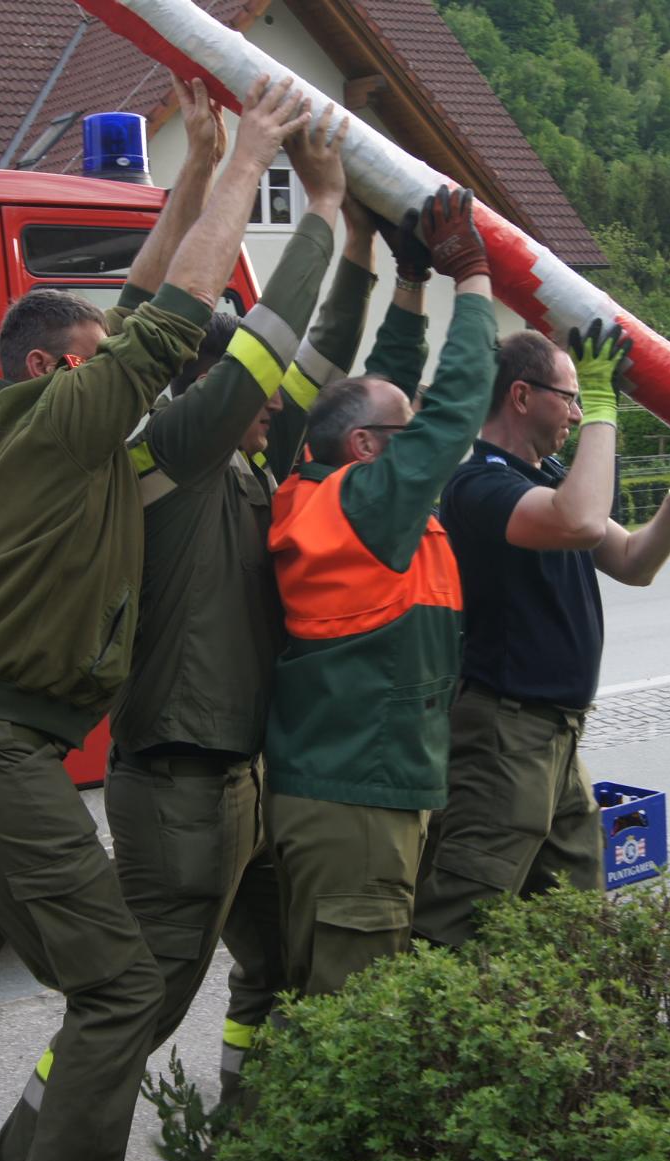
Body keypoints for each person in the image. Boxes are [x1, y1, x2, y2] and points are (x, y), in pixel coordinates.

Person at [0, 75, 313, 1161]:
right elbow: (172, 319)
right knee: (121, 991)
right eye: (99, 361)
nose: (121, 376)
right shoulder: (64, 422)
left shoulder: (17, 428)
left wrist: (194, 172)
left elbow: (136, 304)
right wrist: (252, 160)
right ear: (55, 370)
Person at [100, 101, 352, 1085]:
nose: (272, 402)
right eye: (252, 387)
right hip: (181, 783)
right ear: (208, 389)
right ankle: (31, 1157)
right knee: (140, 1005)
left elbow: (315, 355)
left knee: (279, 965)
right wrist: (317, 205)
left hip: (239, 778)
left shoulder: (240, 460)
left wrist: (367, 249)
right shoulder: (172, 450)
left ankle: (244, 1137)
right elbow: (260, 337)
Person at [410, 320, 670, 948]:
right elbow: (579, 522)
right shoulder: (478, 485)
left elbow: (633, 561)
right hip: (505, 736)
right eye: (571, 397)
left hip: (556, 737)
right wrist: (605, 403)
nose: (577, 414)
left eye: (584, 400)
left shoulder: (545, 475)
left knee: (575, 918)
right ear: (522, 397)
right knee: (458, 921)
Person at [261, 185, 497, 997]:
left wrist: (412, 280)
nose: (420, 430)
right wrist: (472, 277)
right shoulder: (366, 507)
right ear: (366, 448)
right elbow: (455, 409)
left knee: (326, 998)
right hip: (357, 802)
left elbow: (385, 388)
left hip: (349, 794)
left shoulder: (325, 486)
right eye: (406, 429)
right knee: (352, 1012)